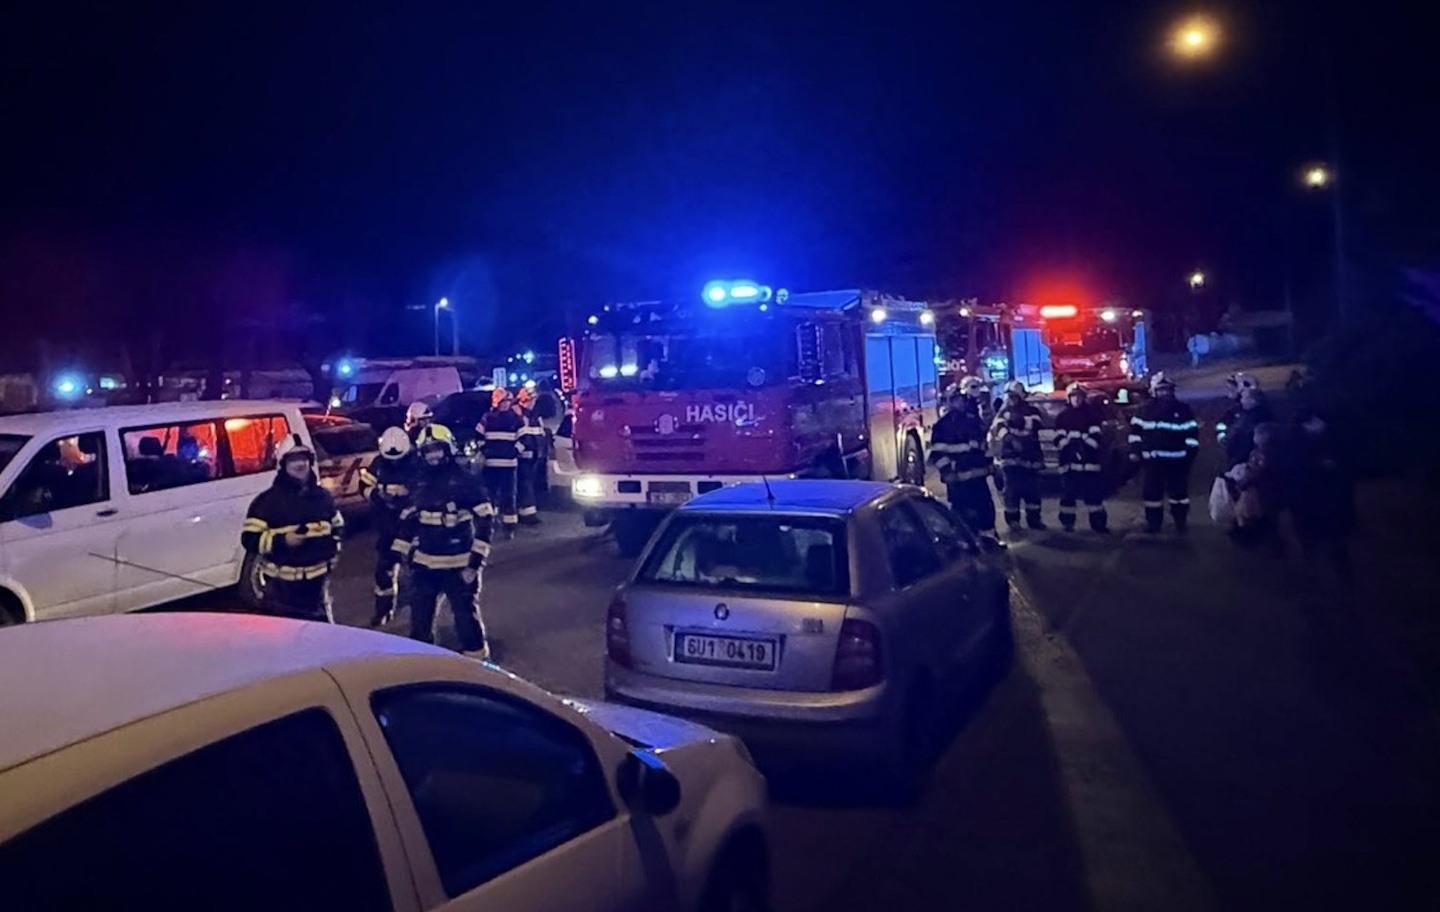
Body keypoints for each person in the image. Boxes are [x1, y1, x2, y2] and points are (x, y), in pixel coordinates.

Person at [391, 424, 494, 659]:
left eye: (437, 449)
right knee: (420, 621)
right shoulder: (419, 481)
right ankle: (424, 665)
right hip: (425, 565)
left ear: (448, 449)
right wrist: (396, 557)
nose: (433, 456)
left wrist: (474, 564)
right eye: (428, 451)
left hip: (459, 565)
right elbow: (409, 521)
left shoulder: (465, 481)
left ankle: (479, 665)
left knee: (466, 620)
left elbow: (485, 522)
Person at [240, 434, 344, 621]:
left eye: (304, 458)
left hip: (318, 588)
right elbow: (249, 539)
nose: (300, 464)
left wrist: (333, 549)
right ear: (282, 464)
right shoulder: (267, 502)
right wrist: (282, 541)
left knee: (320, 636)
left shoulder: (323, 497)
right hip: (281, 592)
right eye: (293, 459)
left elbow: (338, 527)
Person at [928, 377, 1004, 548]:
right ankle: (967, 543)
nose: (963, 403)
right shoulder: (943, 426)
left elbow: (982, 448)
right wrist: (948, 472)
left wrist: (992, 468)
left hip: (978, 477)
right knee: (963, 513)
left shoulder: (974, 421)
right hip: (958, 480)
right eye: (960, 400)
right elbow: (938, 453)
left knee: (985, 509)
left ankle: (988, 539)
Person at [1285, 408, 1355, 585]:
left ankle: (1341, 577)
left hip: (1326, 502)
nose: (1320, 425)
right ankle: (1314, 577)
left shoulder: (1331, 438)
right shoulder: (1297, 441)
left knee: (1333, 542)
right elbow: (1295, 469)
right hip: (1309, 500)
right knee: (1313, 542)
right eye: (1315, 422)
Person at [358, 426, 416, 627]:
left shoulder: (416, 462)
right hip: (387, 524)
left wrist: (408, 492)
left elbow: (429, 489)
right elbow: (363, 486)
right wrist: (378, 494)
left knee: (418, 568)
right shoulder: (379, 463)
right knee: (384, 569)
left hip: (412, 525)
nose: (394, 462)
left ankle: (419, 612)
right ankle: (383, 610)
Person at [1129, 372, 1201, 533]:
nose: (1165, 393)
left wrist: (1190, 456)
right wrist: (1136, 452)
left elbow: (1192, 435)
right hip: (1152, 462)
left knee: (1179, 495)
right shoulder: (1144, 410)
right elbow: (1135, 434)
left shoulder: (1183, 410)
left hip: (1178, 461)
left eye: (1168, 390)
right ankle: (1154, 524)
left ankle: (1180, 521)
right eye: (1162, 390)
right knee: (1152, 495)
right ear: (1154, 391)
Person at [989, 379, 1047, 531]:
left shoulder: (1032, 411)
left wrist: (1019, 421)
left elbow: (1036, 425)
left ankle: (1034, 520)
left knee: (1032, 491)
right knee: (1012, 492)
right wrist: (1011, 439)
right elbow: (998, 428)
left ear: (1020, 396)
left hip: (1031, 456)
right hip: (1011, 459)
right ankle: (1013, 521)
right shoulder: (1003, 412)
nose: (1010, 399)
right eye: (1009, 396)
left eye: (1013, 396)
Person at [1054, 382, 1109, 533]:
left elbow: (1096, 439)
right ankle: (1067, 524)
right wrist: (1070, 446)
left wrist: (1081, 442)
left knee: (1094, 497)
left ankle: (1099, 525)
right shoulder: (1062, 417)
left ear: (1083, 398)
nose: (1076, 399)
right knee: (1068, 497)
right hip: (1069, 464)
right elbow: (1058, 439)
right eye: (1073, 397)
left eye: (1079, 396)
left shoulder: (1092, 415)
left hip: (1089, 464)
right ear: (1069, 398)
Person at [478, 387, 524, 536]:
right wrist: (485, 450)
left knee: (509, 497)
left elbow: (524, 439)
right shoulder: (487, 418)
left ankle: (509, 527)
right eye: (504, 401)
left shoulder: (516, 419)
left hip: (509, 465)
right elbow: (478, 436)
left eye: (508, 401)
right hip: (491, 464)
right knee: (490, 496)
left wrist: (514, 452)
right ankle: (491, 523)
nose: (506, 404)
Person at [1224, 386, 1276, 469]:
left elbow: (1246, 440)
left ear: (1252, 401)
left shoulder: (1257, 418)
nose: (1241, 401)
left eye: (1244, 398)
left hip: (1244, 459)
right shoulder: (1247, 414)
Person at [515, 387, 545, 525]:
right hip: (523, 456)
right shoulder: (519, 413)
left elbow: (540, 433)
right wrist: (519, 450)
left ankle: (527, 512)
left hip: (534, 455)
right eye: (532, 400)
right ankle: (527, 515)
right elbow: (519, 435)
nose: (534, 403)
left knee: (529, 484)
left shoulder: (534, 414)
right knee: (525, 484)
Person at [1215, 372, 1260, 451]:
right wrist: (1223, 438)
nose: (1230, 392)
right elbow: (1222, 423)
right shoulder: (1233, 409)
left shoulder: (1252, 411)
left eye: (1232, 388)